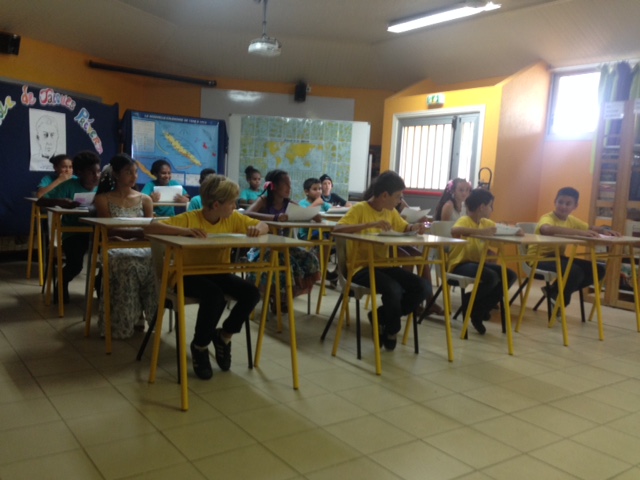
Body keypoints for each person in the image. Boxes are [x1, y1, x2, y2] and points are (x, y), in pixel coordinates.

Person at [144, 176, 268, 380]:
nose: (234, 206)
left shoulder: (233, 218)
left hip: (218, 272)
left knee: (252, 293)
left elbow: (263, 225)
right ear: (216, 205)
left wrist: (258, 229)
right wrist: (184, 231)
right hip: (186, 275)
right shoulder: (190, 218)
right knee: (214, 296)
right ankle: (200, 346)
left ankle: (224, 336)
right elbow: (150, 228)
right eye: (231, 202)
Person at [333, 171, 431, 350]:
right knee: (393, 289)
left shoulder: (390, 212)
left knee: (423, 287)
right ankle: (392, 328)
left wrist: (414, 227)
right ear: (385, 195)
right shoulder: (360, 209)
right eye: (398, 197)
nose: (400, 201)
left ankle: (381, 316)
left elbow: (403, 228)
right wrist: (370, 225)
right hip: (360, 268)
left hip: (383, 265)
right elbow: (337, 229)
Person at [93, 154, 157, 339]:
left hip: (142, 246)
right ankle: (125, 321)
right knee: (129, 265)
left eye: (135, 172)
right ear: (115, 174)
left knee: (155, 264)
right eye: (128, 172)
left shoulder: (145, 199)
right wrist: (137, 233)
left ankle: (146, 315)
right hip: (114, 247)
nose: (134, 176)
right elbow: (109, 231)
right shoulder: (103, 199)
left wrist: (131, 236)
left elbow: (151, 229)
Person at [528, 186, 619, 309]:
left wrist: (604, 230)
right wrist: (579, 232)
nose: (563, 206)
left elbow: (590, 227)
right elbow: (546, 229)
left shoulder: (571, 220)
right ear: (555, 202)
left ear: (575, 206)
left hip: (557, 257)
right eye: (560, 202)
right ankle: (560, 300)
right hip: (538, 259)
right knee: (575, 271)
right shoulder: (548, 217)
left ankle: (554, 291)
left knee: (598, 270)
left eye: (568, 204)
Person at [245, 169, 321, 310]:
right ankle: (277, 297)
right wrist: (274, 218)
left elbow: (307, 213)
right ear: (273, 186)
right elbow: (247, 213)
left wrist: (313, 214)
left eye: (290, 184)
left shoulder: (289, 203)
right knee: (283, 261)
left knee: (310, 258)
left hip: (284, 246)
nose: (289, 187)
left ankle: (286, 295)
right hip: (262, 248)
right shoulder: (264, 201)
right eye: (285, 184)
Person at [448, 188, 520, 335]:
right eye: (490, 206)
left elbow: (503, 229)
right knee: (491, 277)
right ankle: (476, 308)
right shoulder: (465, 220)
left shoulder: (485, 222)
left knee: (510, 275)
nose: (492, 210)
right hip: (460, 265)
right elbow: (455, 230)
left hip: (476, 263)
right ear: (482, 207)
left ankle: (476, 307)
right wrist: (480, 233)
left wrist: (516, 231)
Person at [36, 151, 101, 303]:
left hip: (96, 231)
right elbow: (41, 201)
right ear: (79, 173)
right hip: (73, 232)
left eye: (98, 171)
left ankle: (99, 282)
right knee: (75, 265)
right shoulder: (69, 185)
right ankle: (62, 283)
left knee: (110, 258)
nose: (96, 176)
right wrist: (61, 202)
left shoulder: (102, 187)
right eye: (91, 172)